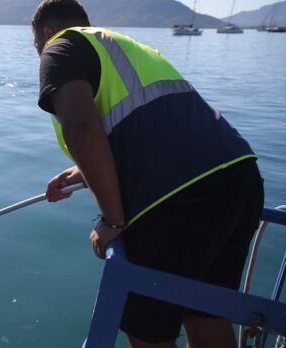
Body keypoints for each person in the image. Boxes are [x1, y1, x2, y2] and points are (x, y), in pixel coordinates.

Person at [31, 0, 264, 347]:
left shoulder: (60, 45)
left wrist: (112, 221)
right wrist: (79, 172)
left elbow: (80, 127)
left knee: (148, 333)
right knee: (207, 315)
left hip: (177, 200)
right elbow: (154, 129)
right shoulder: (119, 45)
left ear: (46, 31)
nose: (38, 50)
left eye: (36, 42)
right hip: (238, 179)